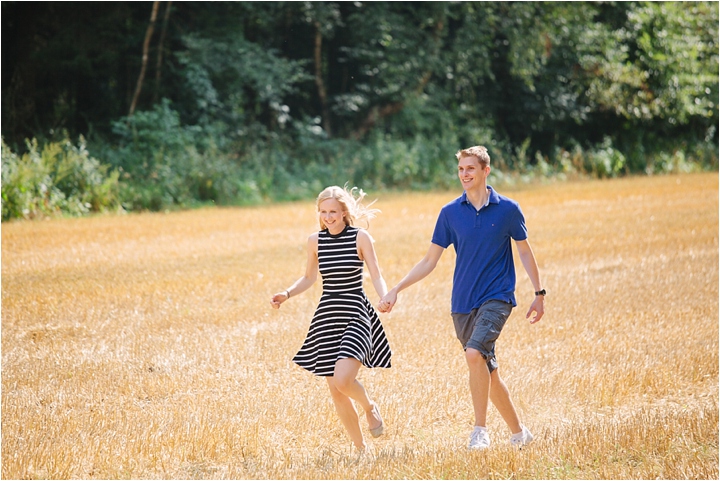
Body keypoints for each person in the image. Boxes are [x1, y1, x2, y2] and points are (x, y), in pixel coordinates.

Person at [378, 145, 544, 450]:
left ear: (485, 171)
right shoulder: (450, 213)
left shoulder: (508, 209)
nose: (464, 175)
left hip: (498, 296)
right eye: (460, 169)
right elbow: (429, 261)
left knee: (473, 354)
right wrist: (396, 289)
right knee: (485, 369)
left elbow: (523, 250)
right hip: (462, 304)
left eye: (470, 169)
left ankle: (480, 431)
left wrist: (538, 292)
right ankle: (520, 433)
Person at [271, 185, 391, 452]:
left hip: (356, 312)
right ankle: (361, 450)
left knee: (343, 380)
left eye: (333, 211)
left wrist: (385, 296)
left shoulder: (361, 238)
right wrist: (287, 294)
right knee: (336, 392)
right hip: (327, 316)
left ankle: (370, 406)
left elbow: (376, 274)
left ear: (344, 212)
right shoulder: (315, 241)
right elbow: (309, 278)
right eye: (323, 211)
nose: (328, 216)